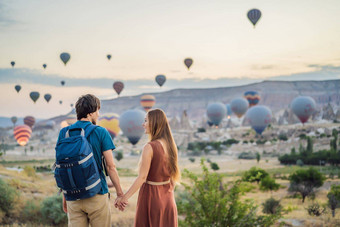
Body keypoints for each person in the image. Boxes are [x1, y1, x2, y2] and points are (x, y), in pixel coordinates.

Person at [57, 94, 124, 227]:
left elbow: (63, 166)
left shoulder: (64, 133)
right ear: (91, 112)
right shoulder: (101, 132)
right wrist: (120, 193)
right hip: (96, 194)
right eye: (98, 111)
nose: (98, 115)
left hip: (73, 197)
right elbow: (111, 167)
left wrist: (65, 196)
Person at [115, 108, 180, 227]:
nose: (143, 124)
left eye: (146, 121)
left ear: (154, 123)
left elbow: (142, 177)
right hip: (169, 200)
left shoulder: (149, 147)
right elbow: (172, 178)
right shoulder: (171, 146)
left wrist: (124, 197)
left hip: (151, 198)